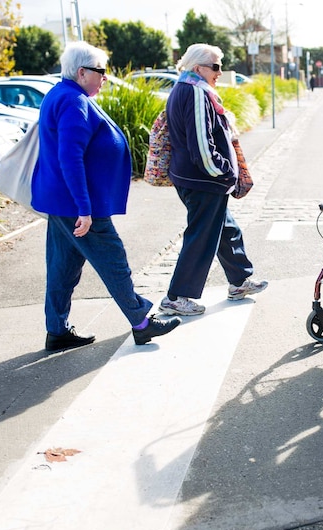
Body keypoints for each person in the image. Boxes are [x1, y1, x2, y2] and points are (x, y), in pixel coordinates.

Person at [32, 41, 181, 351]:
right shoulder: (73, 101)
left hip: (62, 202)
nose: (105, 78)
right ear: (82, 71)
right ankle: (141, 322)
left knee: (62, 267)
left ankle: (57, 330)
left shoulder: (62, 94)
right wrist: (85, 210)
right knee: (113, 261)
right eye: (101, 72)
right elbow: (69, 158)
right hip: (79, 205)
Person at [159, 43, 267, 316]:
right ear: (198, 68)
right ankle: (176, 297)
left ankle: (239, 281)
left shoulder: (186, 88)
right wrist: (225, 172)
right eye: (215, 66)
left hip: (199, 180)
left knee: (225, 230)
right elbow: (201, 143)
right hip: (203, 180)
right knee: (201, 238)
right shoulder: (194, 92)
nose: (220, 72)